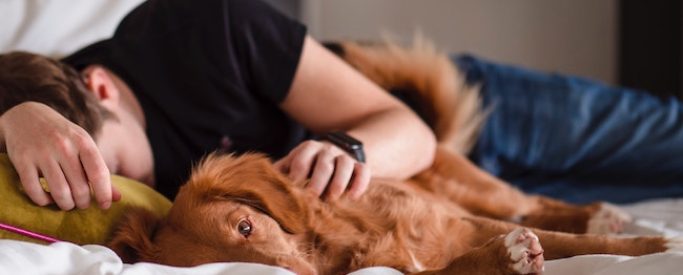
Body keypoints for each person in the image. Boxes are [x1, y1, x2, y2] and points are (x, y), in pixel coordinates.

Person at [0, 0, 437, 211]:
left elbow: (414, 133)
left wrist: (346, 150)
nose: (119, 194)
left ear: (100, 88)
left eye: (113, 169)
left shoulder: (212, 27)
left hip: (403, 82)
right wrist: (10, 120)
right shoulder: (29, 140)